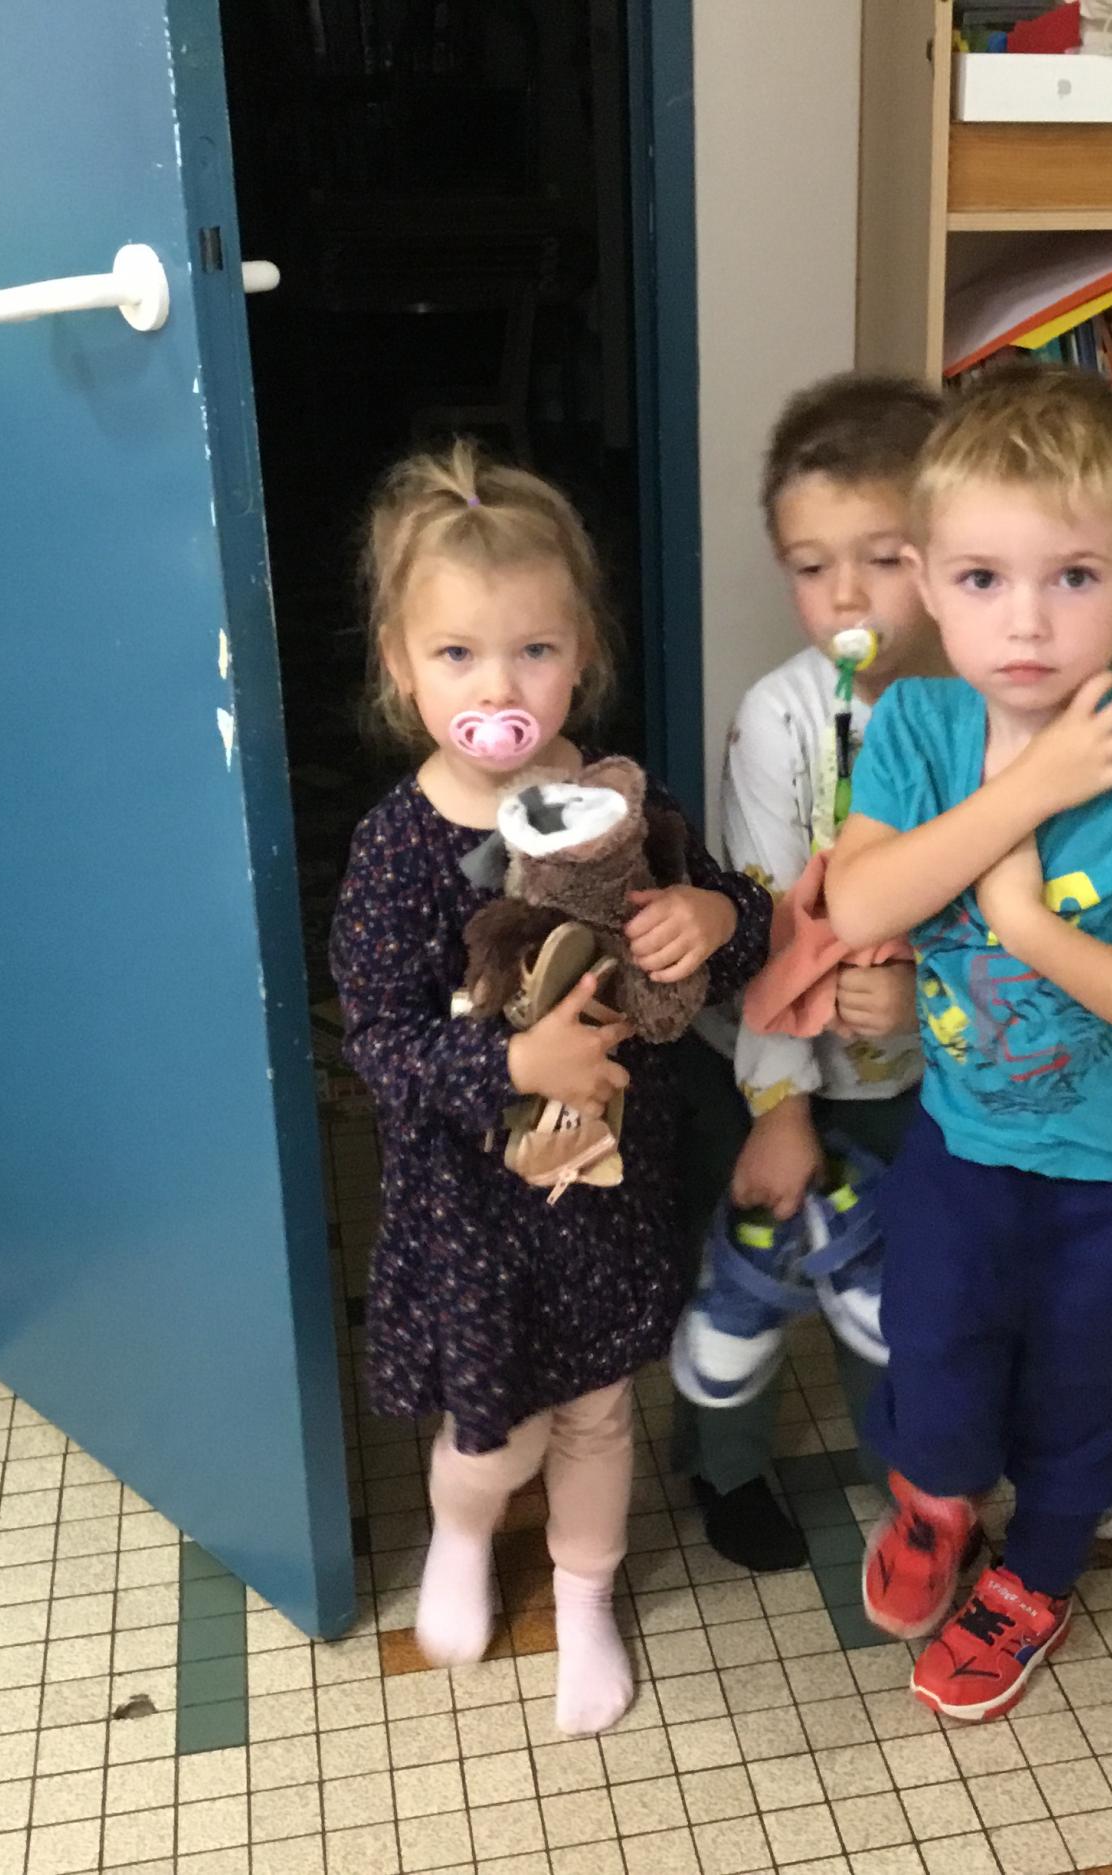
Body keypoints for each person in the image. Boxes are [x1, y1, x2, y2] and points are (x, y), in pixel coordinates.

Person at [822, 366, 1112, 1722]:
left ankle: (1038, 1574)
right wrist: (1031, 791)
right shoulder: (918, 725)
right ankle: (937, 1503)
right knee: (934, 1342)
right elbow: (859, 904)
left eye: (1071, 576)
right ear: (926, 581)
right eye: (981, 579)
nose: (1025, 622)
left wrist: (1023, 922)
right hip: (964, 1143)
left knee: (1084, 1394)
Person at [330, 442, 769, 1734]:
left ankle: (586, 1597)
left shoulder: (617, 798)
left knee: (596, 1416)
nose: (498, 686)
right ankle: (462, 1536)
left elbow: (724, 914)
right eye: (458, 653)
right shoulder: (398, 846)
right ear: (402, 667)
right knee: (495, 1429)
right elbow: (378, 1043)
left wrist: (711, 914)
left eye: (533, 650)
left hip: (607, 1199)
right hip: (473, 1212)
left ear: (581, 655)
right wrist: (510, 1064)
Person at [669, 372, 944, 1572]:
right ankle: (723, 1464)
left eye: (883, 558)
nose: (844, 595)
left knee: (900, 1285)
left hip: (925, 1074)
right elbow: (766, 932)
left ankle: (913, 1479)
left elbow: (1012, 910)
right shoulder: (779, 722)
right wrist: (778, 1109)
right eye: (810, 564)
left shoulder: (989, 711)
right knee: (754, 1270)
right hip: (776, 1068)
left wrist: (927, 997)